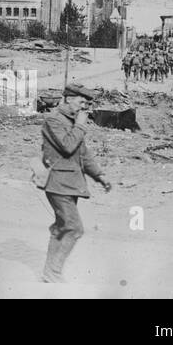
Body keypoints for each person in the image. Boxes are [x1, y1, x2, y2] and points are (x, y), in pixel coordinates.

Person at [41, 83, 111, 283]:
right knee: (74, 228)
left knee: (62, 227)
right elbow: (67, 147)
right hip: (58, 183)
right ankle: (53, 272)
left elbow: (83, 154)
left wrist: (100, 175)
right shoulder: (53, 120)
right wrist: (80, 125)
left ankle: (49, 272)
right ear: (68, 99)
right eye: (81, 102)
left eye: (86, 103)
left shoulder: (72, 122)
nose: (83, 107)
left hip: (70, 182)